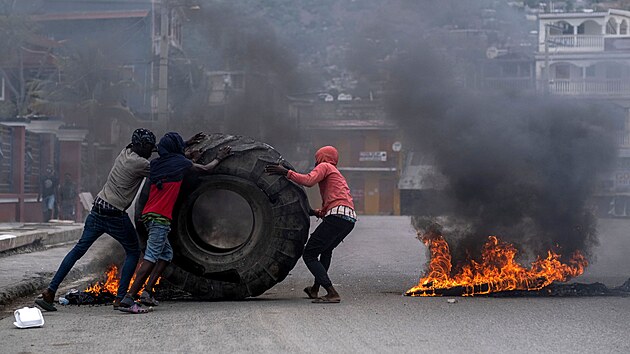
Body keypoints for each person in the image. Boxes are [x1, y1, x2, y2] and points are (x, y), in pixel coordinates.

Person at [35, 128, 157, 312]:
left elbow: (143, 148)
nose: (150, 150)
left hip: (97, 209)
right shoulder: (140, 164)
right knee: (133, 251)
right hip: (115, 214)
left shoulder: (124, 153)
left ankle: (50, 291)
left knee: (77, 251)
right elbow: (163, 168)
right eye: (148, 147)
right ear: (141, 146)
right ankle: (122, 298)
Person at [118, 132, 232, 313]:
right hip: (159, 218)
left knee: (166, 255)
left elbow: (171, 157)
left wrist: (187, 150)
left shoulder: (156, 164)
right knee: (151, 257)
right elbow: (206, 169)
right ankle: (129, 298)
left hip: (148, 215)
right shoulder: (180, 163)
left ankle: (147, 292)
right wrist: (219, 158)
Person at [265, 146, 356, 303]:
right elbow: (335, 200)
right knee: (326, 250)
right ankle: (315, 289)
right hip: (348, 218)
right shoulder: (336, 173)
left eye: (317, 157)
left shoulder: (325, 166)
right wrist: (315, 212)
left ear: (322, 157)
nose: (315, 161)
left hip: (337, 216)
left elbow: (308, 181)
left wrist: (285, 172)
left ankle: (332, 292)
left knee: (309, 254)